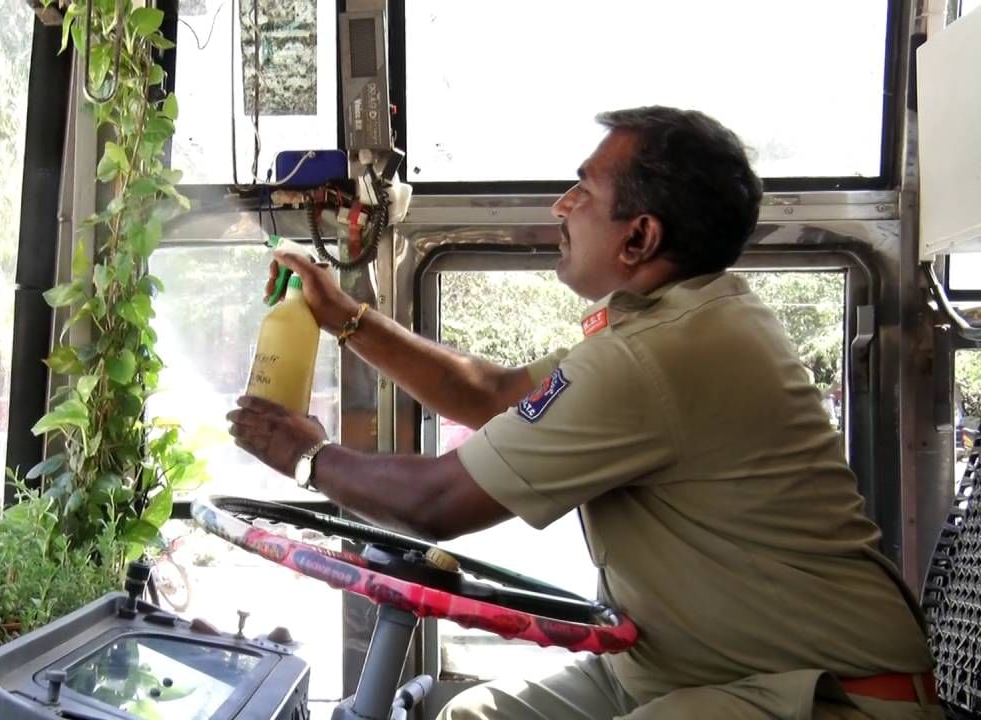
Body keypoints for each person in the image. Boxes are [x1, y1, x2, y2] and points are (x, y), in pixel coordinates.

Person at [226, 106, 941, 720]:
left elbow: (438, 503)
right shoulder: (671, 324)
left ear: (640, 238)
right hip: (688, 671)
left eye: (584, 192)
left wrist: (307, 455)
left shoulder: (657, 355)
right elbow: (489, 394)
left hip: (832, 695)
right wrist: (347, 315)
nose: (560, 206)